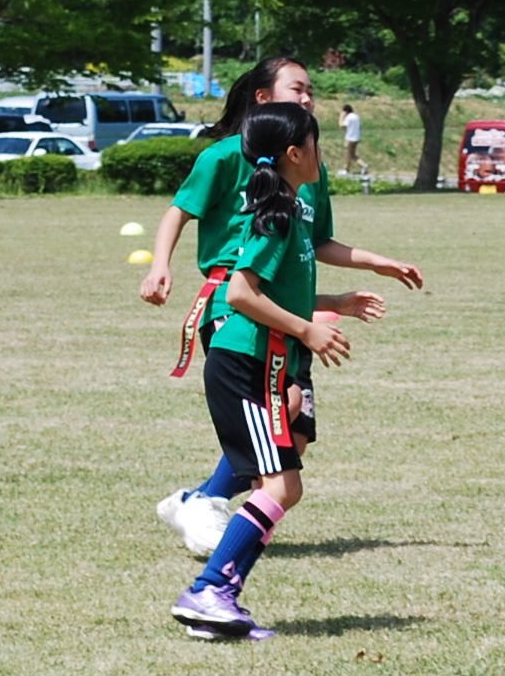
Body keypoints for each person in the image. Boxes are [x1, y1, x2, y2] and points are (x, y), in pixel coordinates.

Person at [140, 60, 421, 556]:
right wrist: (159, 264)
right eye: (298, 88)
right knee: (280, 412)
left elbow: (317, 241)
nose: (309, 97)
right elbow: (178, 211)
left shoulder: (309, 168)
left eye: (312, 90)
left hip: (287, 307)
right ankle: (211, 510)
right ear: (263, 99)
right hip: (236, 303)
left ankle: (201, 500)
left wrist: (375, 263)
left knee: (298, 428)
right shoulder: (225, 157)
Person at [172, 104, 384, 641]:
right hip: (244, 362)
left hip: (261, 363)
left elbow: (279, 291)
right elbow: (241, 294)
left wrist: (336, 301)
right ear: (295, 154)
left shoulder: (289, 209)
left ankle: (214, 597)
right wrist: (309, 330)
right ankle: (208, 591)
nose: (323, 155)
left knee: (284, 485)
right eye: (316, 145)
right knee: (282, 486)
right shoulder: (280, 212)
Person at [340, 103, 362, 174]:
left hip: (350, 138)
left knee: (349, 155)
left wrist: (341, 117)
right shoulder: (356, 116)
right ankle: (364, 166)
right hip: (356, 137)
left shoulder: (349, 117)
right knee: (352, 154)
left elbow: (342, 126)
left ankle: (347, 170)